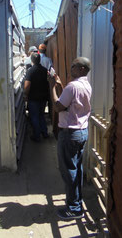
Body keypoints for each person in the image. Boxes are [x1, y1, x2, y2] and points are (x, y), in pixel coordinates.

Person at [49, 57, 92, 220]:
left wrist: (52, 86)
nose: (70, 68)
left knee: (69, 171)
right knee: (76, 169)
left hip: (70, 134)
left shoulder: (73, 86)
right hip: (81, 132)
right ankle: (77, 203)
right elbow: (68, 102)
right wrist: (59, 84)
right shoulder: (85, 85)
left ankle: (74, 208)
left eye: (73, 65)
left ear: (81, 69)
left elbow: (58, 107)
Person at [24, 52, 50, 142]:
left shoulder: (30, 71)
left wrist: (25, 95)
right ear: (39, 60)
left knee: (34, 116)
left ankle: (37, 135)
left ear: (32, 60)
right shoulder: (44, 70)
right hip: (43, 97)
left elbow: (27, 85)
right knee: (41, 115)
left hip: (33, 98)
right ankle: (45, 133)